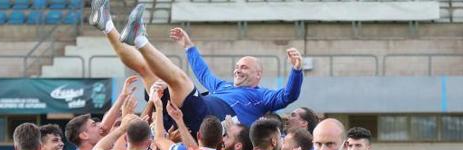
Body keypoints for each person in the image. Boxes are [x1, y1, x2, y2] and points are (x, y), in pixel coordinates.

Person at [88, 0, 304, 133]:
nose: (238, 69)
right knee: (146, 70)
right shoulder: (223, 86)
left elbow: (288, 96)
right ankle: (107, 25)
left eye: (245, 67)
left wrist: (296, 71)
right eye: (237, 66)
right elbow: (203, 73)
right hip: (192, 111)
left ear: (258, 74)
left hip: (208, 118)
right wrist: (189, 47)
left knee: (180, 80)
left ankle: (140, 39)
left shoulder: (262, 96)